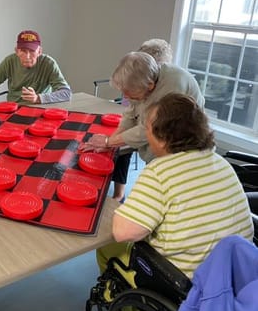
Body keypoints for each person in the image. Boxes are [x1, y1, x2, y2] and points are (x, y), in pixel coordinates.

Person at [97, 93, 253, 279]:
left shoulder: (159, 172)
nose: (146, 134)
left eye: (147, 128)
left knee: (107, 247)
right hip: (238, 274)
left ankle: (118, 298)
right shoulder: (220, 162)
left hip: (187, 285)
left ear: (163, 138)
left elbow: (123, 232)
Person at [81, 51, 205, 201]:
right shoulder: (144, 81)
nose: (126, 97)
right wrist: (111, 142)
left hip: (183, 151)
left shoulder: (170, 88)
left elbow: (148, 130)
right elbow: (130, 113)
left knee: (163, 193)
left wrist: (109, 142)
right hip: (162, 146)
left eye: (130, 94)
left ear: (150, 86)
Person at [0, 30, 72, 104]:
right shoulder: (10, 61)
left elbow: (66, 93)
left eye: (32, 51)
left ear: (39, 51)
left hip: (41, 110)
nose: (27, 56)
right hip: (14, 110)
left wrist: (38, 98)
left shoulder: (49, 63)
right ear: (16, 51)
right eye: (23, 51)